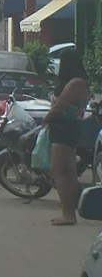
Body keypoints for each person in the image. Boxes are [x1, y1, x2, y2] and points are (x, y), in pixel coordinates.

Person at [42, 48, 90, 226]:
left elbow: (60, 105)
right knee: (68, 171)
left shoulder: (75, 83)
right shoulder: (79, 81)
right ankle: (70, 211)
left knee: (60, 170)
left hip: (64, 128)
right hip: (68, 128)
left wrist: (46, 119)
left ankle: (68, 213)